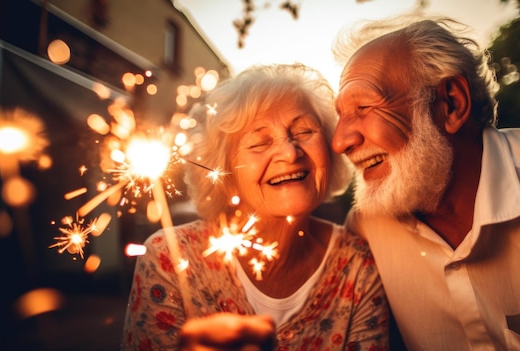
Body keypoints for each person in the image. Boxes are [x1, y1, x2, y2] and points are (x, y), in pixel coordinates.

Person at [331, 14, 520, 350]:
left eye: (364, 106)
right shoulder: (364, 232)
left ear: (451, 104)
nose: (340, 141)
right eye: (340, 116)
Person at [122, 63, 390, 350]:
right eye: (259, 143)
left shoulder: (358, 265)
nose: (289, 152)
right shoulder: (168, 259)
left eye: (304, 131)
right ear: (224, 176)